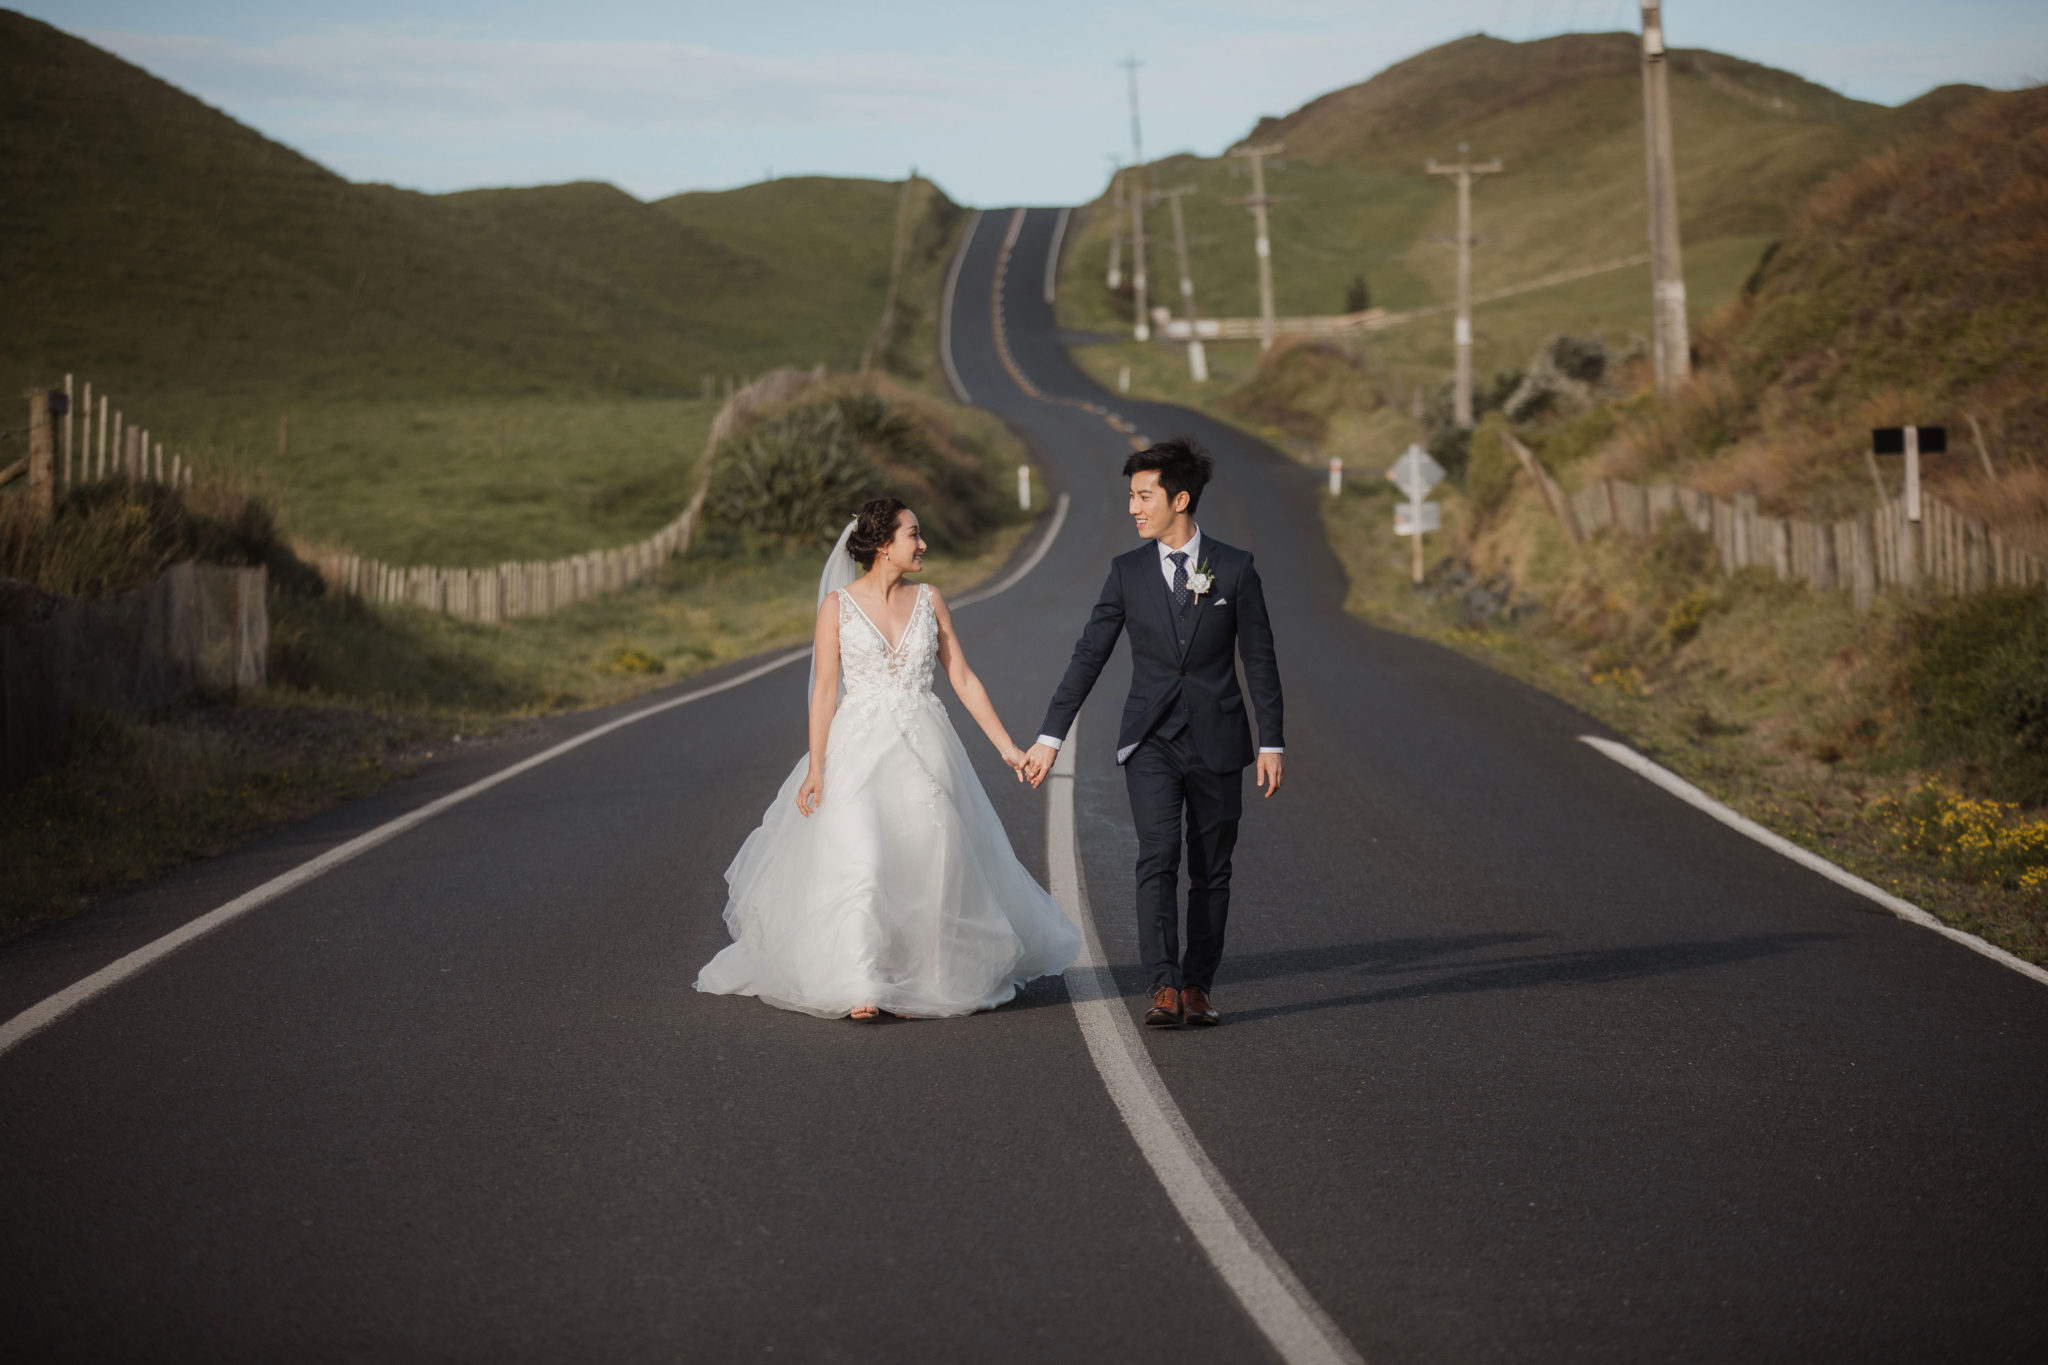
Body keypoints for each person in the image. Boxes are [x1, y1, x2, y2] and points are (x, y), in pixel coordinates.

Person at [696, 497, 1080, 1020]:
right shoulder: (836, 607)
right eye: (913, 535)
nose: (922, 545)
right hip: (857, 751)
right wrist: (815, 766)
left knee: (931, 856)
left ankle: (925, 974)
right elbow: (824, 692)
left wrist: (1009, 749)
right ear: (883, 545)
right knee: (863, 860)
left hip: (926, 747)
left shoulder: (931, 599)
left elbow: (962, 677)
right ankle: (862, 983)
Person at [1022, 438, 1283, 1028]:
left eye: (1144, 496)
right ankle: (1163, 986)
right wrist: (1050, 736)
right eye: (1131, 496)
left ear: (1180, 498)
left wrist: (1272, 742)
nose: (1134, 508)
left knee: (1212, 870)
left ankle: (1198, 986)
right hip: (1151, 742)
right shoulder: (1126, 573)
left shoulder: (1235, 568)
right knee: (1158, 855)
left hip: (1218, 741)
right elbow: (1089, 654)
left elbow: (1260, 659)